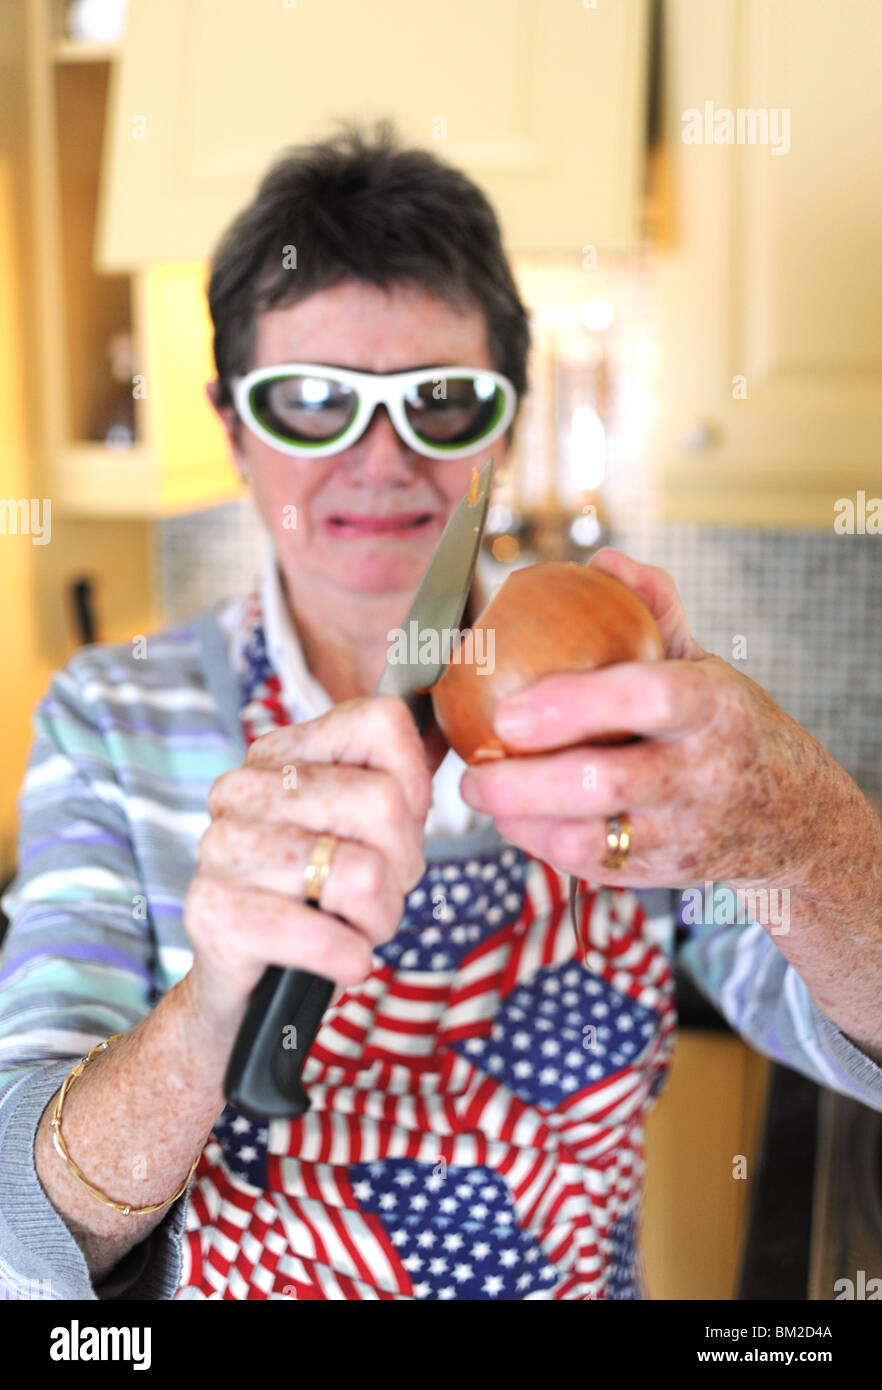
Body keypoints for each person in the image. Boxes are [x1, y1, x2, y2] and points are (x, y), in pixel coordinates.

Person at [1, 123, 881, 1303]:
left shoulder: (626, 715)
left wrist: (801, 828)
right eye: (311, 400)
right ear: (233, 428)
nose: (380, 459)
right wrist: (207, 1012)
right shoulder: (109, 720)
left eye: (444, 401)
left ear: (502, 429)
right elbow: (23, 1244)